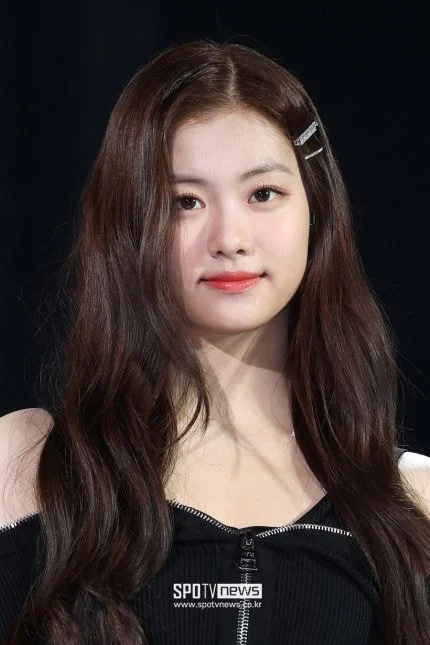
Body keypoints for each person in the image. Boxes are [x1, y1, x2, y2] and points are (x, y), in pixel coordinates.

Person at [1, 38, 429, 645]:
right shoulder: (26, 468)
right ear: (129, 222)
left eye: (263, 194)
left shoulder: (410, 502)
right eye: (185, 202)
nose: (229, 237)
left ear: (317, 208)